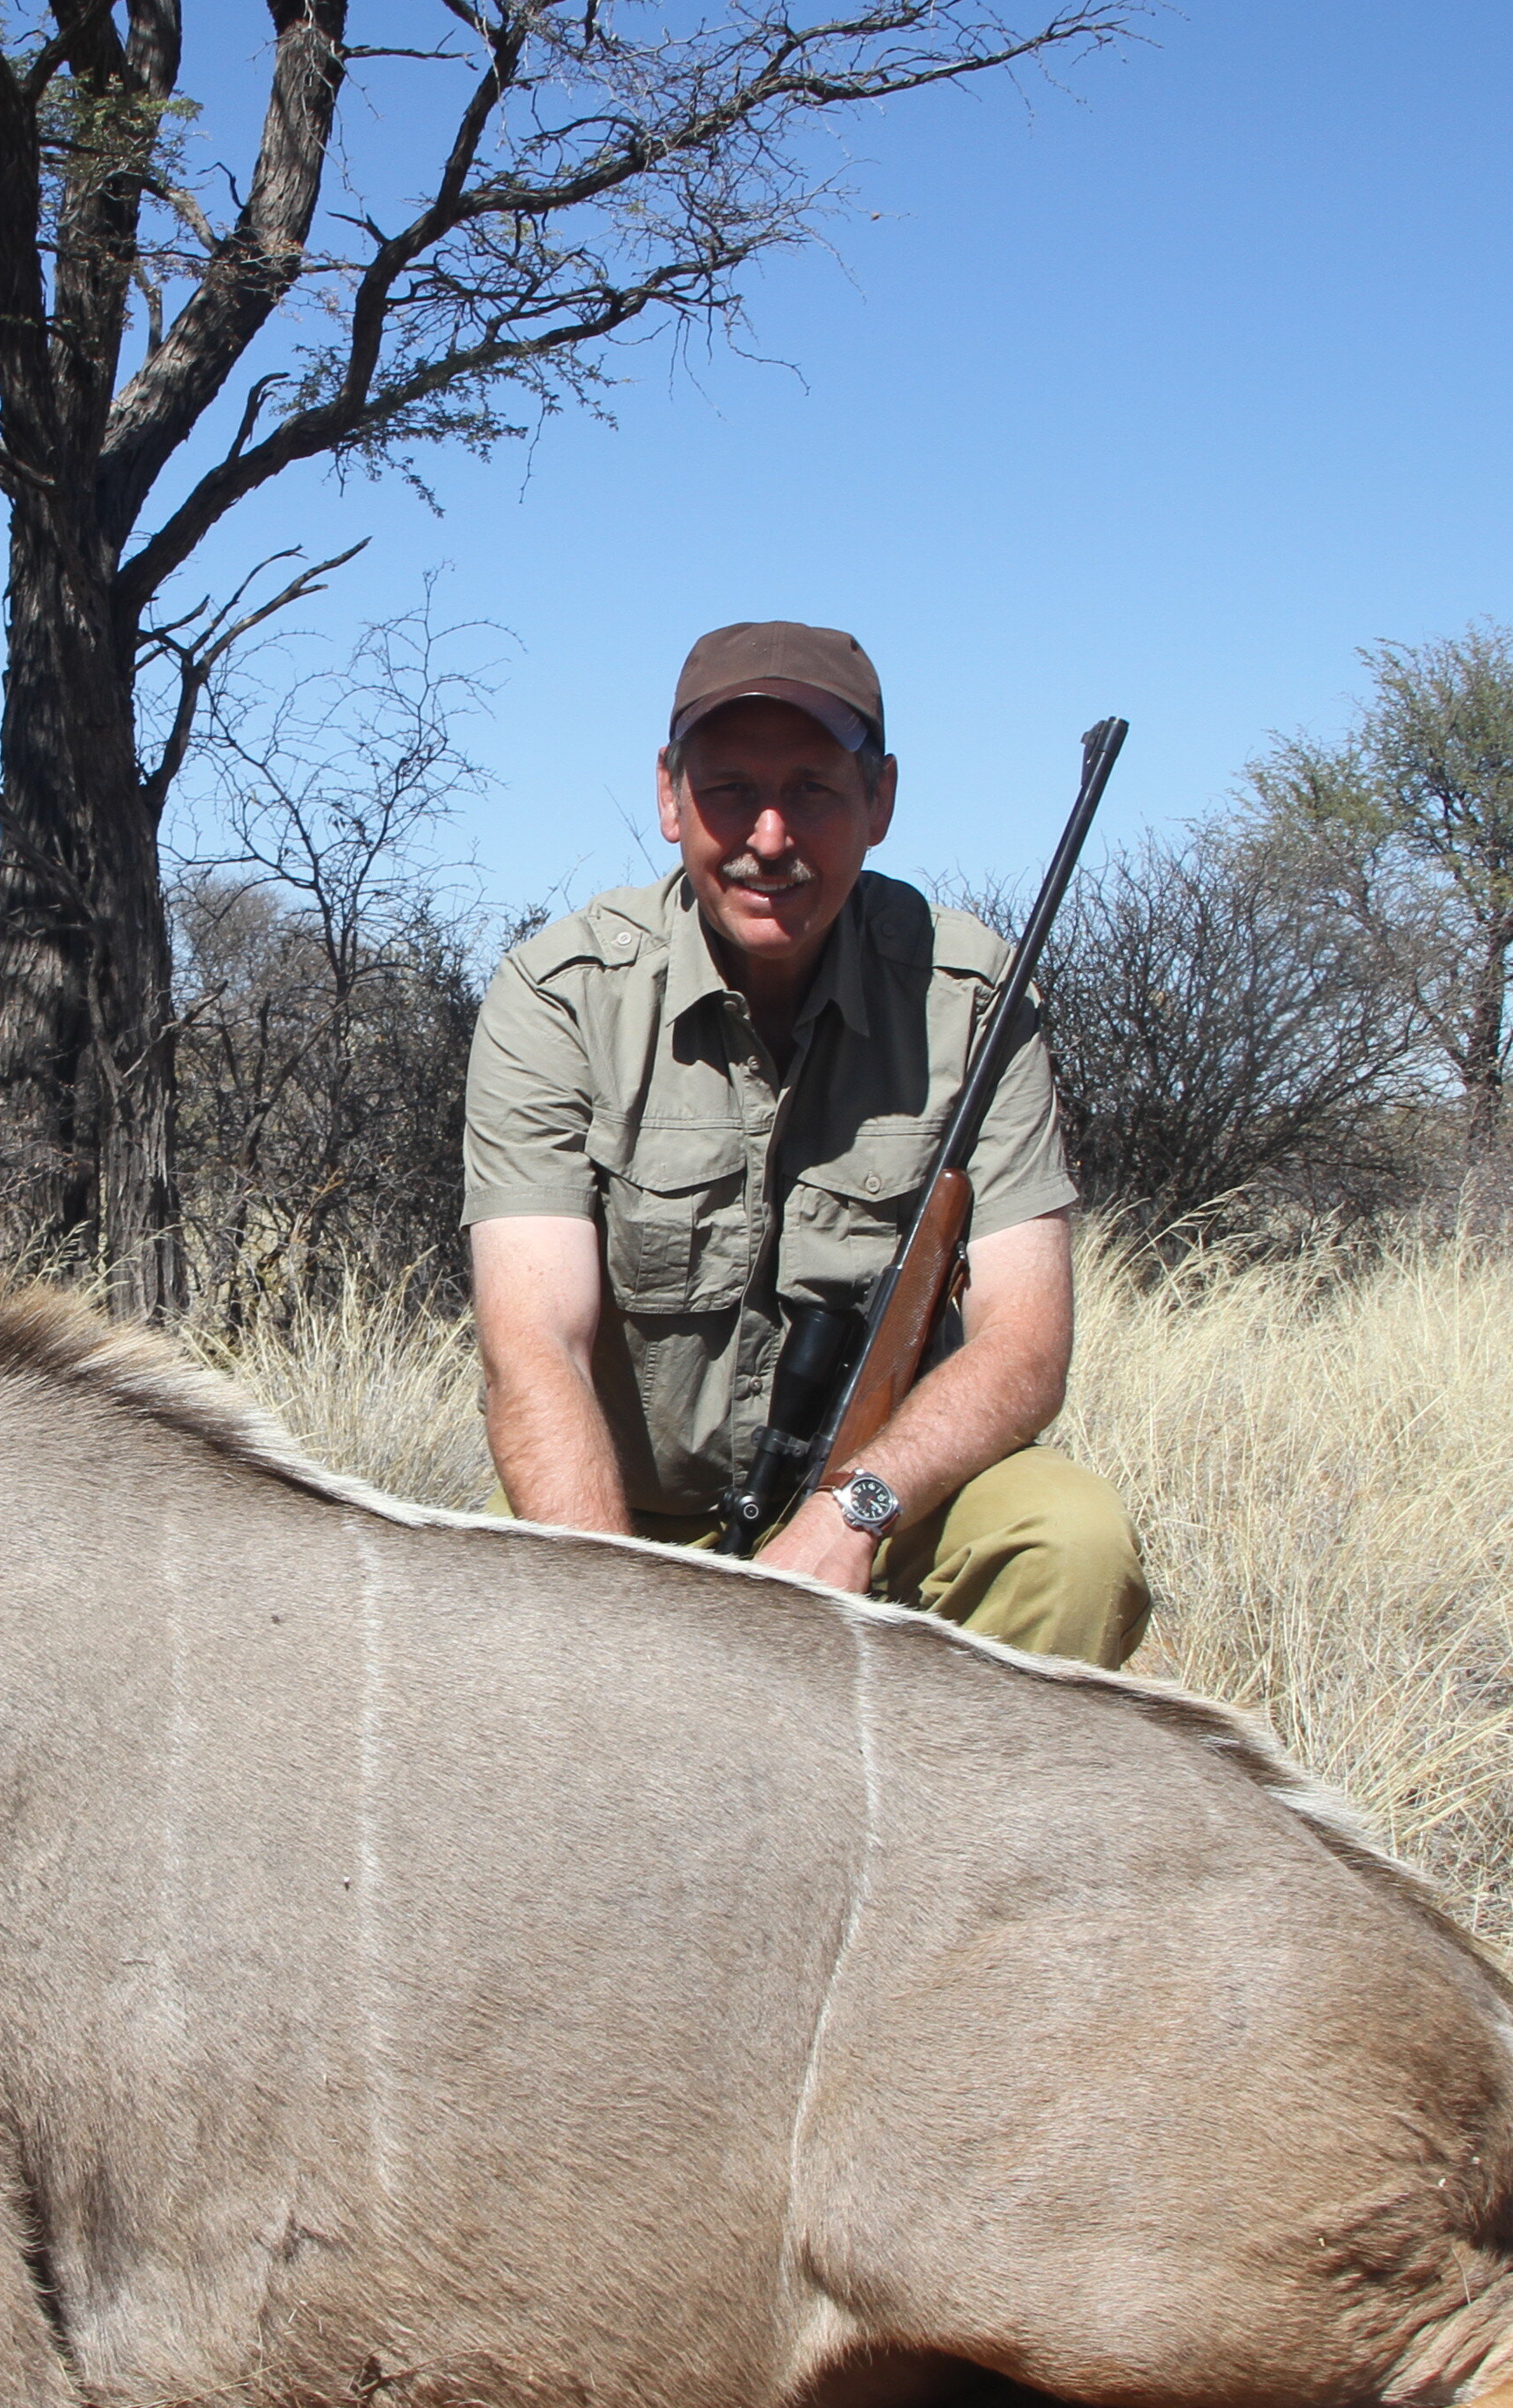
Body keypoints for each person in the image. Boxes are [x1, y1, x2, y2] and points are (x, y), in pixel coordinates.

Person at [461, 620, 1150, 1666]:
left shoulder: (976, 1000)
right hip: (627, 1529)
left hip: (876, 1512)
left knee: (1072, 1544)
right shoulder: (558, 997)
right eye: (729, 787)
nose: (770, 836)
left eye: (815, 790)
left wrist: (849, 1516)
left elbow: (1025, 1344)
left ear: (881, 801)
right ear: (668, 794)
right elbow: (534, 1348)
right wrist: (610, 1626)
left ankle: (938, 1830)